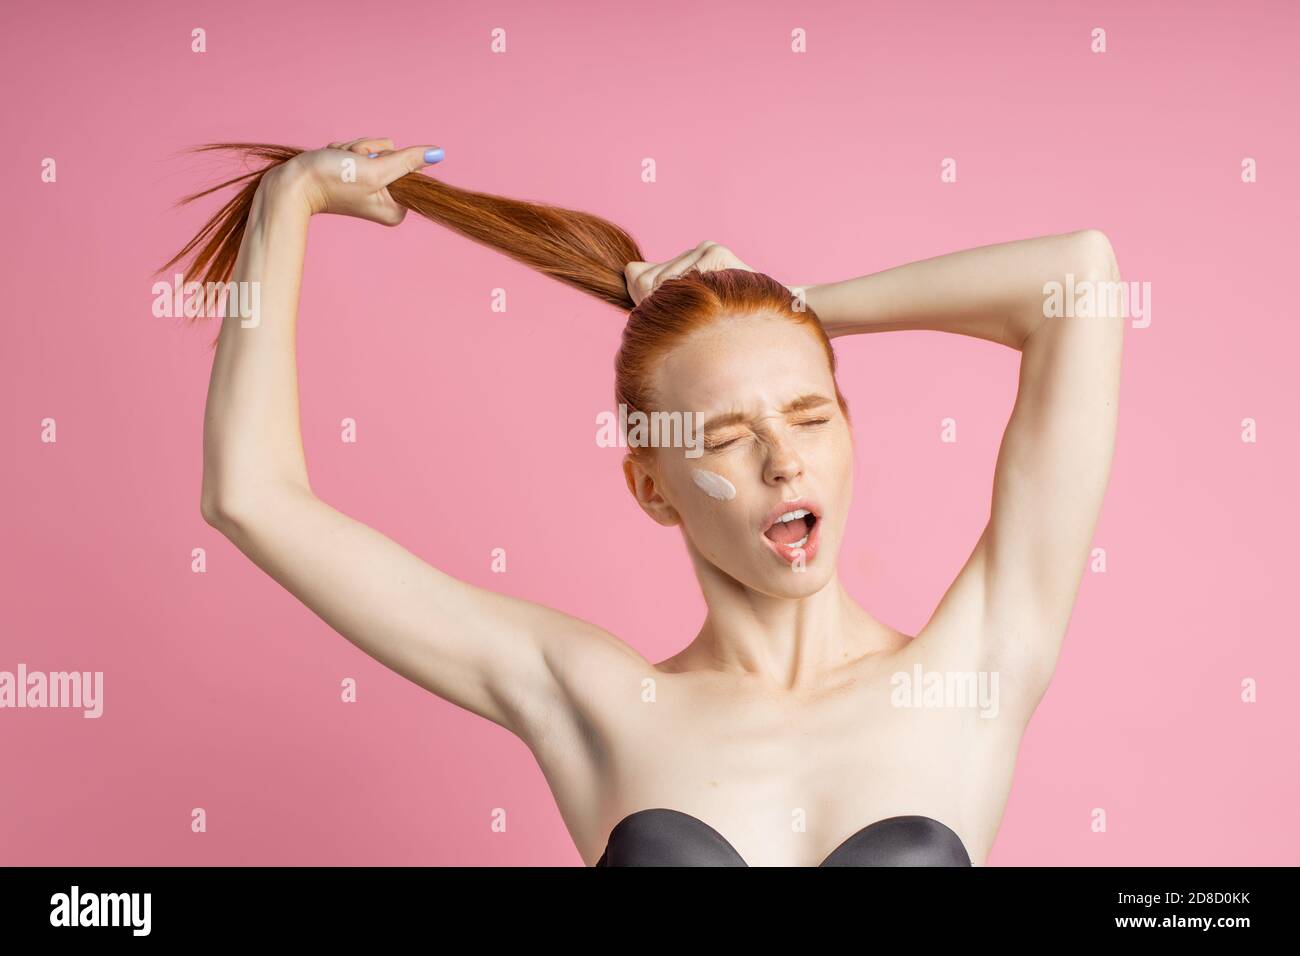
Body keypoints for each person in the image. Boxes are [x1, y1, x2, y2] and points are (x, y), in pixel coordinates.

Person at [169, 136, 1124, 866]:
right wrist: (284, 201)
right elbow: (252, 496)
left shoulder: (978, 665)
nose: (784, 462)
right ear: (651, 488)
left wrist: (782, 302)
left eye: (809, 416)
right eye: (724, 437)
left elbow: (1078, 280)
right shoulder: (595, 700)